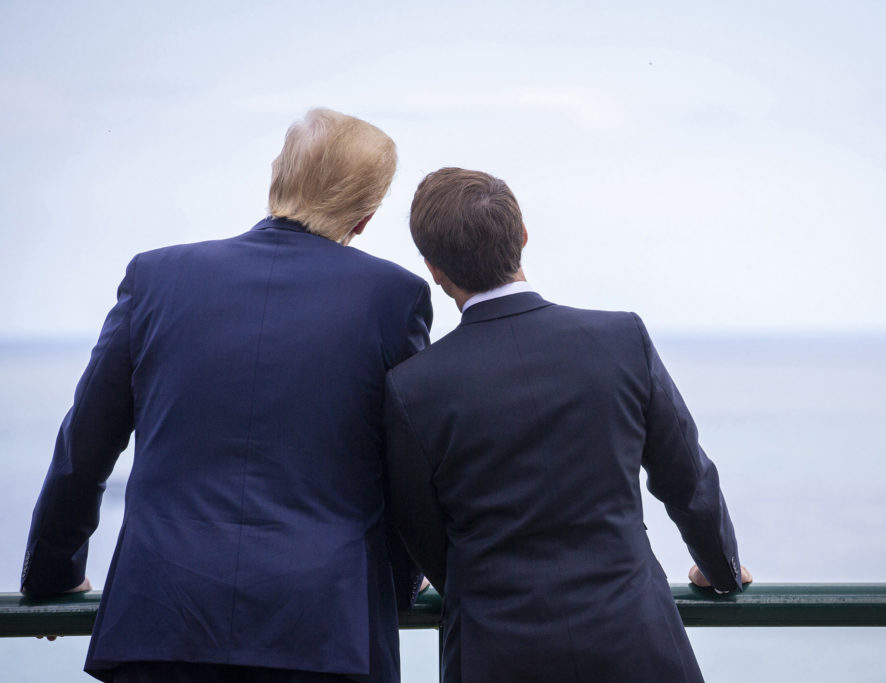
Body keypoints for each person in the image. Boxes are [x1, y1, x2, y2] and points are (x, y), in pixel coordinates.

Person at [21, 108, 432, 682]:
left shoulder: (155, 278)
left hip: (162, 620)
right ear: (365, 217)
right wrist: (400, 585)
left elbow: (83, 450)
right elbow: (410, 470)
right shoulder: (394, 298)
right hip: (324, 630)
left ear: (275, 177)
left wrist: (51, 578)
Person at [384, 167, 751, 682]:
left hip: (497, 652)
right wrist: (721, 570)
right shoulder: (622, 339)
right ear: (524, 238)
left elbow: (419, 534)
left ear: (434, 269)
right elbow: (687, 478)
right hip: (634, 641)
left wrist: (442, 586)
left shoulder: (412, 388)